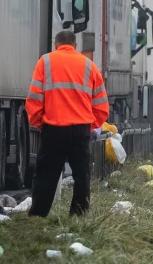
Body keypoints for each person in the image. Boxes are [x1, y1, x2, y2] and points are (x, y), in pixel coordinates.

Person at [25, 30, 110, 217]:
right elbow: (102, 106)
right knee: (82, 176)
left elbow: (34, 99)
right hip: (80, 130)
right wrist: (89, 125)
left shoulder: (45, 62)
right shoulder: (89, 65)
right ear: (75, 46)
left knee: (46, 176)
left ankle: (38, 216)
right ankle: (78, 216)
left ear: (56, 45)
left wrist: (40, 123)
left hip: (53, 129)